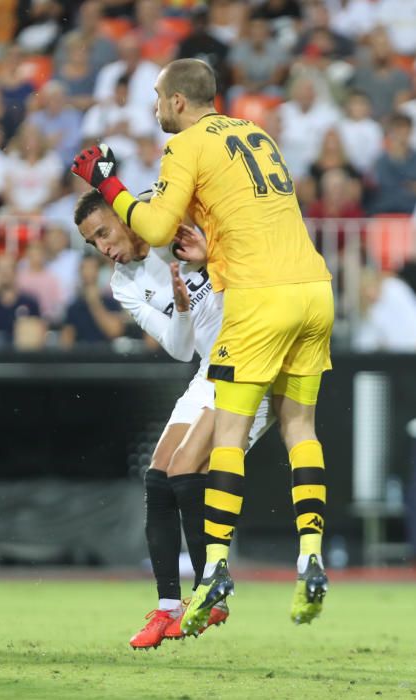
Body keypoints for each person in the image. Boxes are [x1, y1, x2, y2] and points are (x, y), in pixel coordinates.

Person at [71, 58, 334, 632]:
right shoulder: (254, 134)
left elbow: (161, 226)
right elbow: (181, 341)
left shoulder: (179, 173)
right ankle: (188, 597)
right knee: (167, 472)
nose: (105, 247)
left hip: (254, 321)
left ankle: (213, 576)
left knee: (214, 450)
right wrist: (196, 281)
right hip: (307, 290)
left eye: (158, 97)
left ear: (178, 102)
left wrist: (112, 185)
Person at [73, 189, 273, 647]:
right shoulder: (123, 283)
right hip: (208, 367)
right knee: (158, 477)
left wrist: (204, 265)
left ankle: (211, 591)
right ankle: (168, 607)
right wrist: (182, 308)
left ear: (126, 217)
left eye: (104, 231)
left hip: (251, 358)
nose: (102, 247)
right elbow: (180, 348)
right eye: (91, 242)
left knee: (186, 469)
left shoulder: (175, 228)